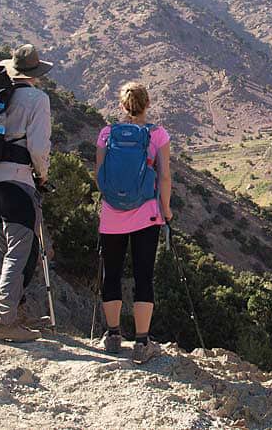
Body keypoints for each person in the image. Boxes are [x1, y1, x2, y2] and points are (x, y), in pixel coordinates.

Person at [0, 44, 53, 343]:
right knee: (21, 250)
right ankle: (5, 319)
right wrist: (42, 174)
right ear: (34, 73)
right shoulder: (37, 99)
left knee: (2, 254)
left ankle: (9, 311)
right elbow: (37, 146)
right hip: (17, 180)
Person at [95, 82, 172, 364]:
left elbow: (100, 175)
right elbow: (164, 177)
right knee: (143, 276)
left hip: (111, 216)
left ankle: (112, 335)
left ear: (122, 106)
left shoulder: (106, 134)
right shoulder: (157, 135)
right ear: (147, 104)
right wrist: (166, 210)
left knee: (111, 274)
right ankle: (142, 342)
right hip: (146, 215)